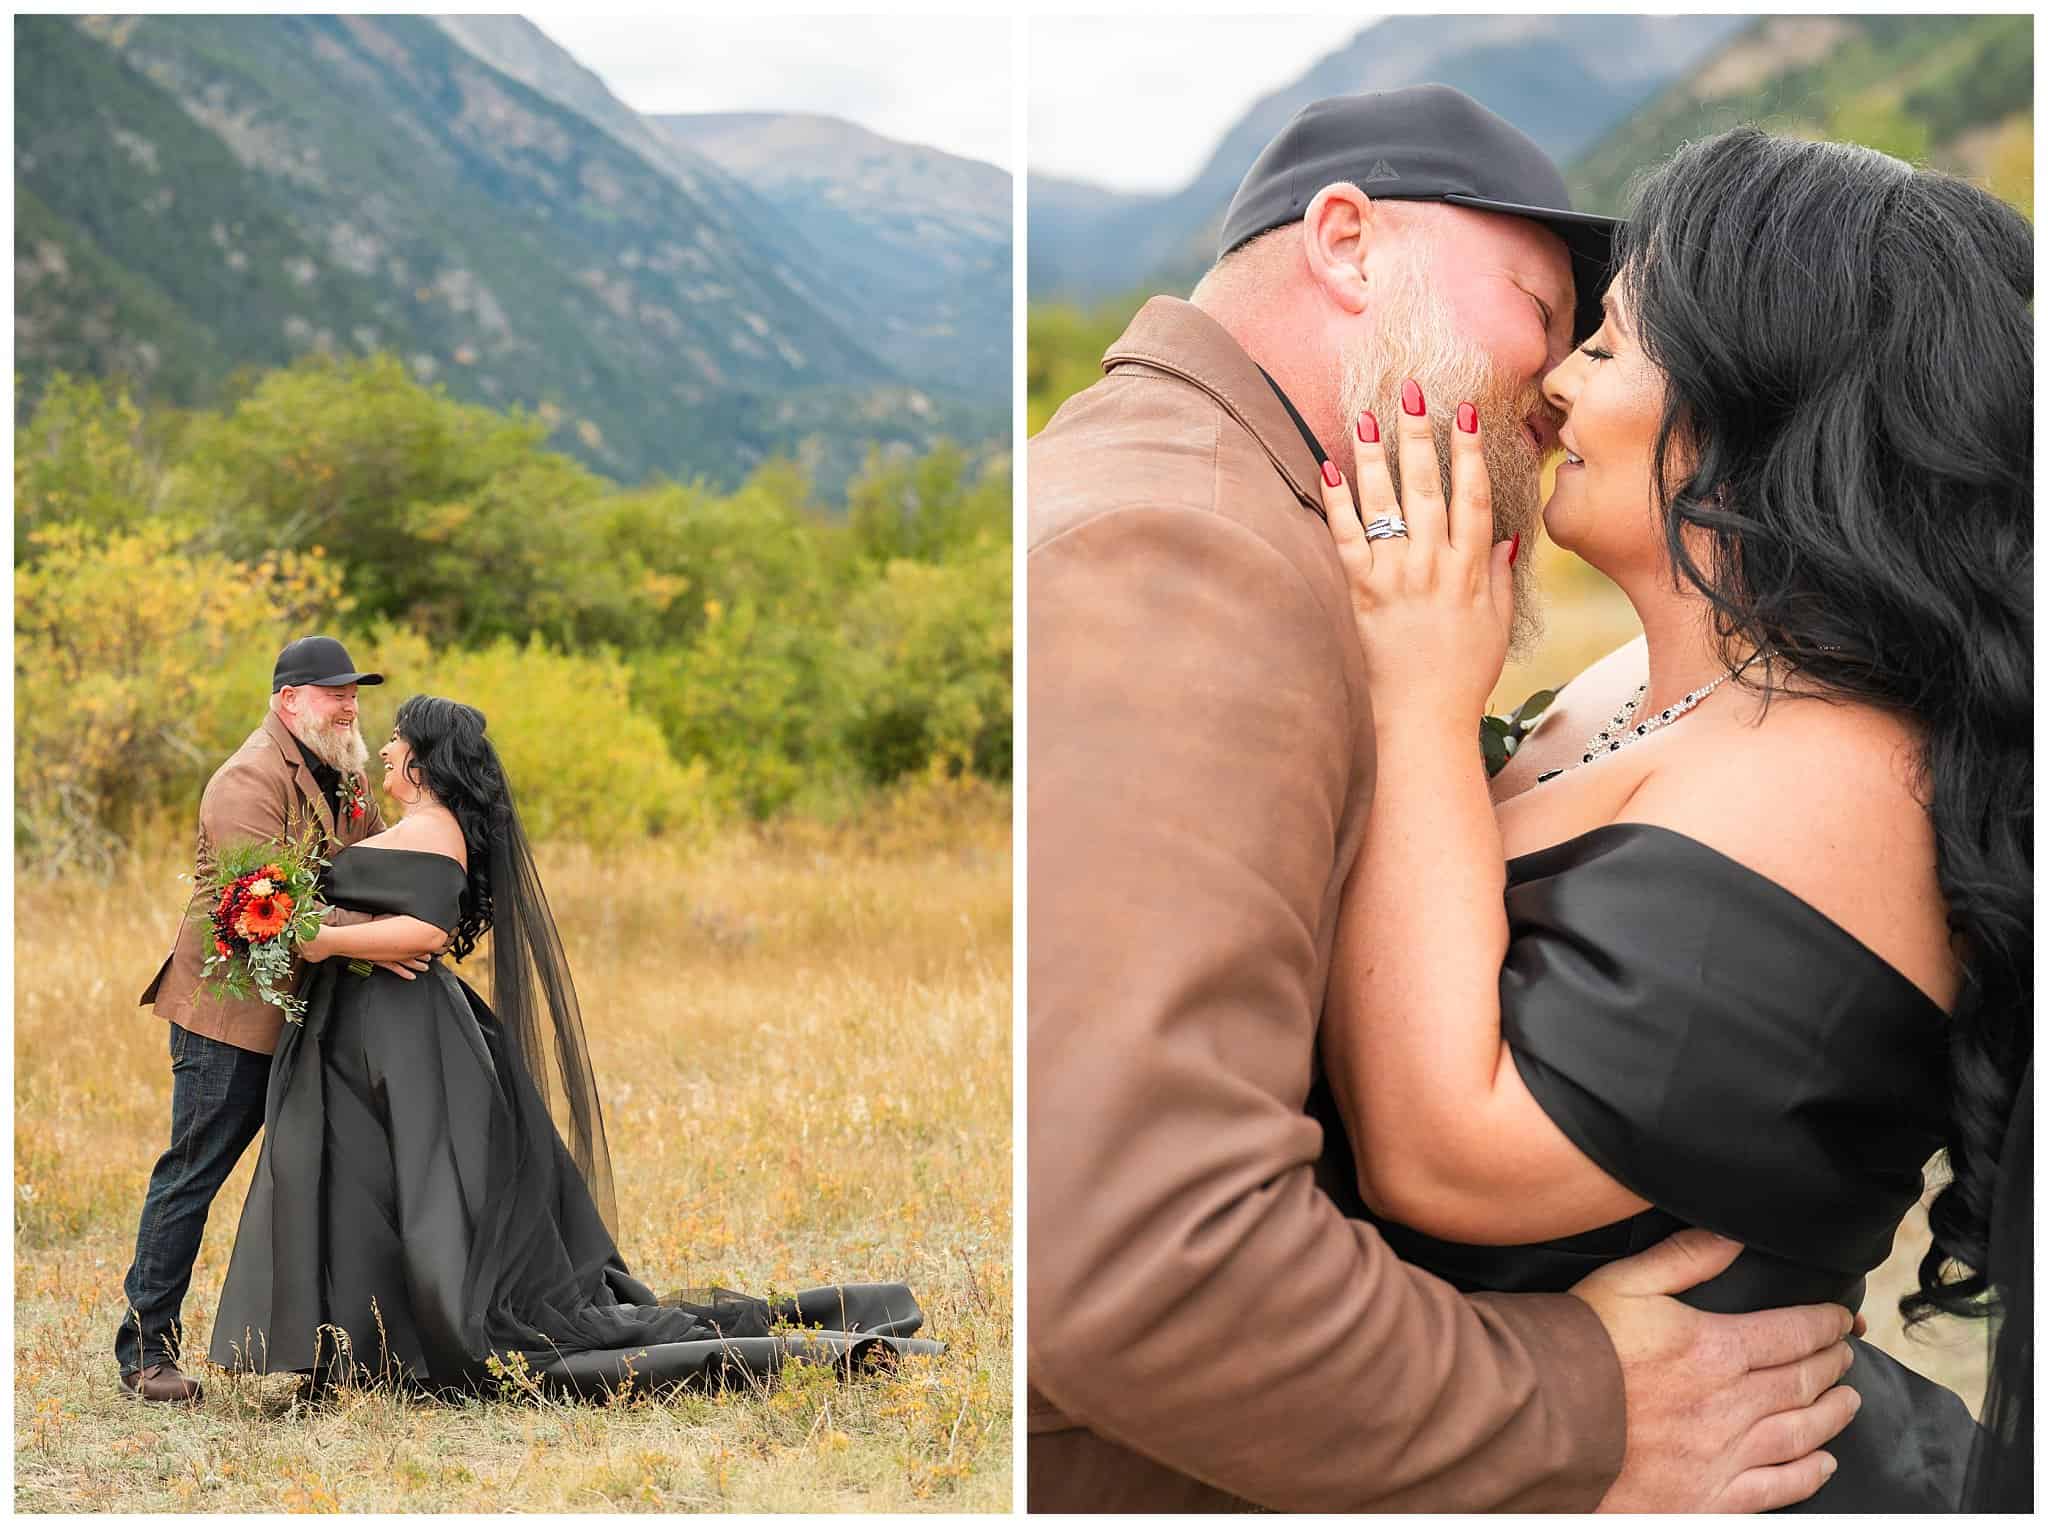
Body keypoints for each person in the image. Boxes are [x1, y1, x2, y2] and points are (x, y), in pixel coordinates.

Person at [1028, 87, 1860, 1512]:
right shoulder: (1184, 552)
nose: (1549, 383)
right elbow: (1137, 1247)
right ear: (1348, 243)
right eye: (1547, 311)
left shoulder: (1211, 510)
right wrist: (1579, 1410)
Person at [1310, 126, 2029, 1510]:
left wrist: (1415, 703)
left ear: (1753, 413)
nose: (1558, 383)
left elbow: (1444, 1156)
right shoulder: (1632, 682)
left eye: (1611, 346)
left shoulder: (1845, 785)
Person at [207, 695, 941, 1396]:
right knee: (373, 1182)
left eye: (400, 741)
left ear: (424, 763)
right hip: (371, 1029)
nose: (389, 749)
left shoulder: (436, 829)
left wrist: (320, 938)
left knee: (419, 1183)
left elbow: (428, 932)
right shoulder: (411, 823)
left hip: (406, 1032)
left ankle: (411, 1337)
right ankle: (369, 1344)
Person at [118, 636, 446, 1404]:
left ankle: (342, 1352)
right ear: (288, 701)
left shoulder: (349, 772)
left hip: (319, 1010)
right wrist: (377, 935)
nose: (350, 703)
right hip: (230, 1016)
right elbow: (270, 910)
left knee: (327, 1178)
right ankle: (144, 1357)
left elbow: (374, 865)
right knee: (192, 1177)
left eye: (355, 691)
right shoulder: (244, 782)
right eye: (334, 692)